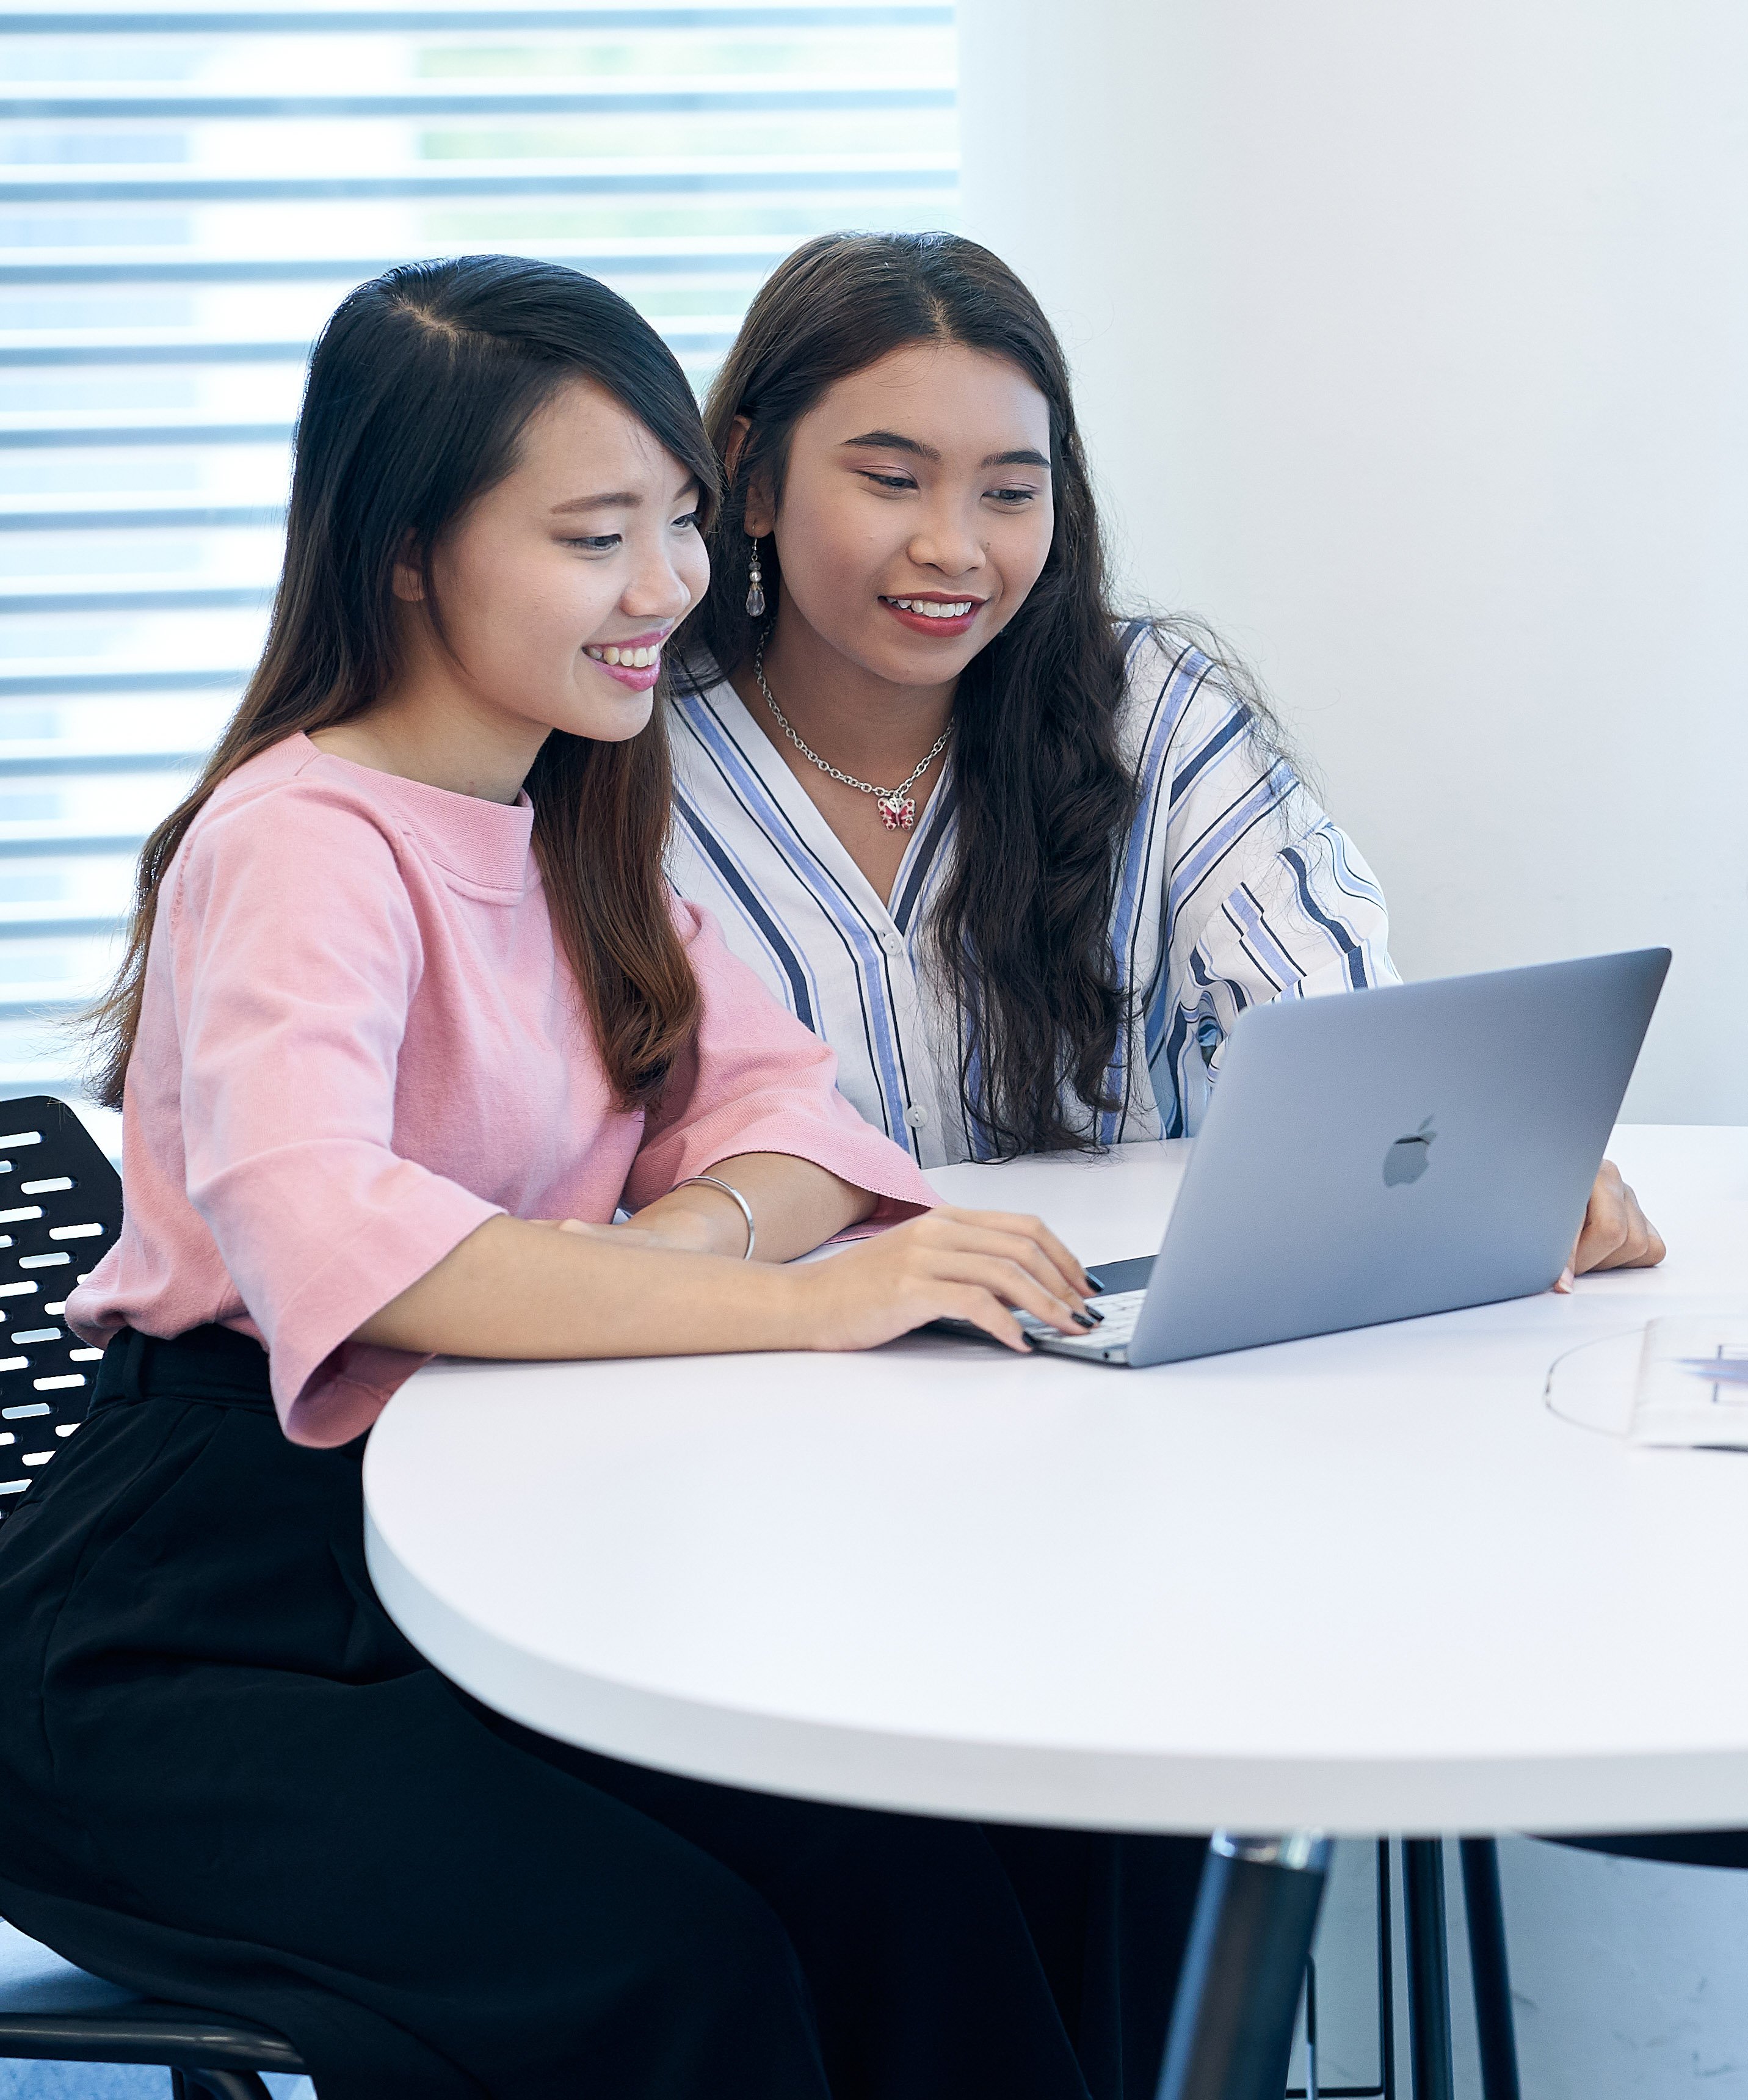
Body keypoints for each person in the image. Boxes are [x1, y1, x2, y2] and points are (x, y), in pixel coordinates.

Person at [0, 257, 1204, 2100]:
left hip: (481, 1536)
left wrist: (690, 1239)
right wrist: (796, 1306)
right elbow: (341, 1244)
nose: (667, 589)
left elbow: (800, 1123)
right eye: (592, 537)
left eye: (678, 522)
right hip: (200, 1621)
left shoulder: (569, 814)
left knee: (930, 1858)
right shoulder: (297, 841)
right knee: (671, 1963)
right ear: (408, 555)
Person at [668, 230, 1663, 1276]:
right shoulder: (631, 762)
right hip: (772, 1352)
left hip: (1129, 1337)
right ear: (753, 475)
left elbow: (1337, 1031)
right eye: (891, 480)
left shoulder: (1150, 715)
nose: (954, 548)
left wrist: (1498, 1165)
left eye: (1010, 493)